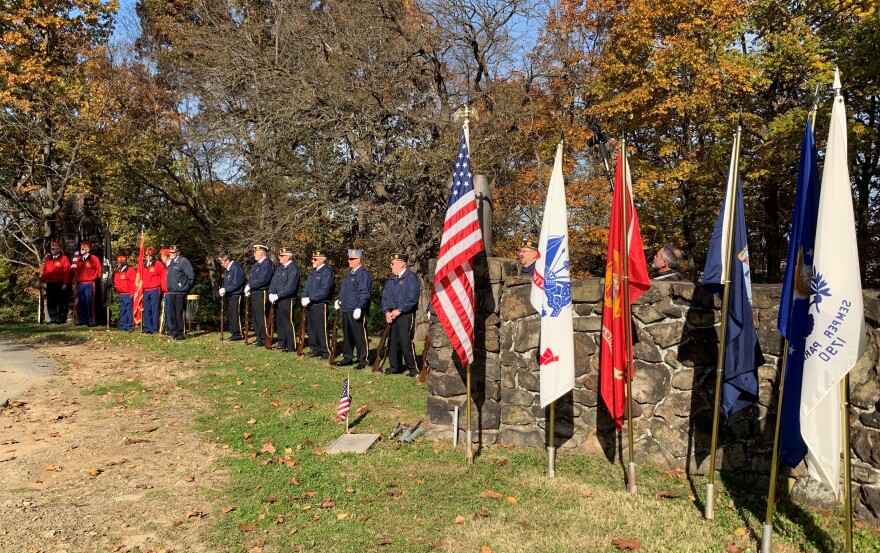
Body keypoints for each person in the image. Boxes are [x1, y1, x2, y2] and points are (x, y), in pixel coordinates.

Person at [381, 252, 420, 376]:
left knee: (405, 341)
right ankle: (394, 367)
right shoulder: (392, 278)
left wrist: (400, 310)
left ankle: (413, 369)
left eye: (393, 264)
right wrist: (386, 311)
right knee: (393, 342)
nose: (391, 266)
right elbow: (385, 297)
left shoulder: (411, 277)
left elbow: (412, 299)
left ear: (402, 264)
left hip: (405, 314)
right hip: (392, 314)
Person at [336, 248, 372, 369]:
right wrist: (339, 300)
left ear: (359, 260)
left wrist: (359, 307)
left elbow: (364, 293)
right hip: (346, 308)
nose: (349, 260)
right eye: (349, 258)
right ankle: (348, 357)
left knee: (359, 336)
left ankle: (363, 360)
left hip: (356, 309)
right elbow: (344, 290)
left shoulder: (363, 274)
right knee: (347, 336)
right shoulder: (349, 274)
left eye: (352, 259)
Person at [301, 250, 334, 359]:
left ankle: (325, 351)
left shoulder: (327, 272)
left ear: (321, 260)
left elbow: (324, 291)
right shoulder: (313, 272)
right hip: (311, 304)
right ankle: (315, 349)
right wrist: (303, 296)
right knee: (312, 328)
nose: (312, 261)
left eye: (314, 259)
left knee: (321, 328)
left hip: (320, 304)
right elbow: (307, 287)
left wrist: (310, 298)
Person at [268, 247, 301, 352]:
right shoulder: (280, 268)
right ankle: (282, 343)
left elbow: (290, 287)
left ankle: (291, 345)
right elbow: (273, 283)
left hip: (287, 299)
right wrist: (271, 293)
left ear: (288, 256)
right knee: (280, 322)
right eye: (279, 255)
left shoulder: (293, 269)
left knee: (288, 322)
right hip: (278, 299)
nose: (279, 257)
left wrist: (278, 295)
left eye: (282, 255)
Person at [245, 245, 274, 346]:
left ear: (262, 253)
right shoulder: (256, 265)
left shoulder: (267, 264)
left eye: (255, 252)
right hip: (255, 292)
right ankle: (259, 337)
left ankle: (265, 338)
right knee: (255, 316)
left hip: (262, 292)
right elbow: (251, 278)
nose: (254, 254)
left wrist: (251, 285)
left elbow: (263, 280)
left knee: (262, 316)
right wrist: (248, 286)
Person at [165, 245, 195, 340]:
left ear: (177, 253)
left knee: (179, 313)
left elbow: (191, 276)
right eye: (170, 252)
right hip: (172, 291)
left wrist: (186, 287)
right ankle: (173, 332)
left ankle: (181, 333)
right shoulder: (171, 262)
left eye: (172, 252)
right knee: (173, 313)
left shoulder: (183, 261)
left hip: (181, 292)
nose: (170, 254)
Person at [71, 240, 101, 326]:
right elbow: (75, 272)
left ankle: (91, 320)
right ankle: (82, 320)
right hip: (80, 284)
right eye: (81, 249)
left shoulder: (93, 258)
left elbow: (99, 269)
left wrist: (95, 277)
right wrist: (74, 283)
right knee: (81, 302)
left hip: (89, 283)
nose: (80, 250)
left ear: (87, 249)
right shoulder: (79, 259)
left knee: (90, 302)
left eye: (83, 249)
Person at [40, 241, 71, 324]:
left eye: (54, 249)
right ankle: (53, 318)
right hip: (50, 283)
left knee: (61, 301)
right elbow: (45, 271)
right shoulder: (48, 259)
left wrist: (65, 283)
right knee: (51, 301)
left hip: (60, 283)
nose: (52, 250)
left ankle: (61, 318)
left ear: (59, 249)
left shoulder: (64, 258)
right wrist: (42, 280)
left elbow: (67, 271)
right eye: (51, 248)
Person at [218, 252, 245, 341]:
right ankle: (234, 332)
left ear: (227, 260)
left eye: (222, 262)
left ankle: (238, 334)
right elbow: (226, 282)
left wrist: (226, 289)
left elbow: (237, 283)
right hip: (230, 294)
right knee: (232, 314)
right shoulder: (228, 269)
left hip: (236, 294)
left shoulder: (236, 268)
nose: (221, 264)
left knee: (236, 314)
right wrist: (223, 288)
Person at [141, 247, 165, 334]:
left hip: (155, 289)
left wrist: (162, 288)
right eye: (147, 255)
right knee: (147, 309)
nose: (148, 257)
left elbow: (163, 276)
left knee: (155, 309)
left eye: (150, 255)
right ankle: (147, 328)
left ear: (153, 255)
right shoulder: (143, 265)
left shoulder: (158, 264)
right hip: (146, 290)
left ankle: (154, 328)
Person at [113, 255, 136, 331]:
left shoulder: (130, 270)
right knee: (123, 310)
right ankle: (123, 326)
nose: (118, 263)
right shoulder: (117, 270)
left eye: (120, 262)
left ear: (124, 262)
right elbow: (116, 281)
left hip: (128, 293)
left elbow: (133, 282)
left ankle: (130, 326)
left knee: (129, 310)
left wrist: (132, 292)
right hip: (121, 294)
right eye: (118, 262)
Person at [159, 248, 173, 335]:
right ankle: (170, 329)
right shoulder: (165, 267)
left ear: (167, 257)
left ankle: (173, 330)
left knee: (171, 312)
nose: (161, 258)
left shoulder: (171, 267)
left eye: (162, 256)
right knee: (168, 311)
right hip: (166, 293)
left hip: (171, 292)